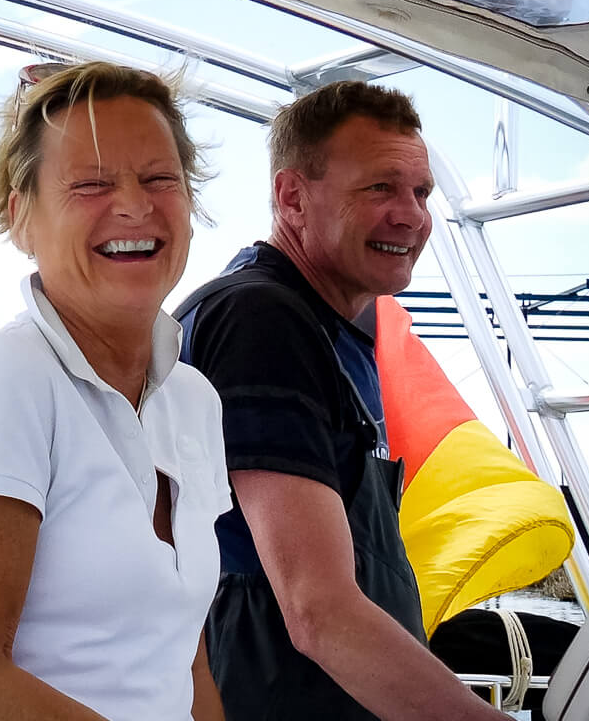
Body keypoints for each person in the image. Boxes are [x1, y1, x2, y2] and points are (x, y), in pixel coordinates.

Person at [175, 81, 511, 720]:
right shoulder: (260, 321)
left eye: (421, 193)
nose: (411, 216)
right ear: (292, 197)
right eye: (380, 188)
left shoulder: (331, 333)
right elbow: (318, 611)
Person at [0, 61, 231, 721]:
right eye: (91, 184)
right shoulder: (4, 381)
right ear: (21, 217)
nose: (135, 205)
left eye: (159, 179)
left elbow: (183, 659)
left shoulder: (194, 399)